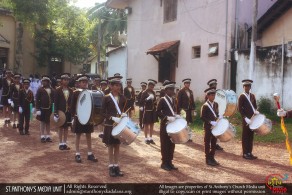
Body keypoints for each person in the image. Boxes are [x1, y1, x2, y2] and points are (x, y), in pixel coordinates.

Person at [101, 75, 127, 177]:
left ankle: (116, 166)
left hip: (119, 125)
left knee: (117, 145)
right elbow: (102, 112)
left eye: (119, 85)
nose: (118, 87)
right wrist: (111, 117)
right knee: (110, 145)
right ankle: (110, 166)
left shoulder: (123, 98)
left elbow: (124, 110)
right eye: (115, 85)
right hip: (109, 124)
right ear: (111, 86)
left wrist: (124, 115)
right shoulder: (106, 97)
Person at [71, 75, 98, 163]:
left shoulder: (90, 92)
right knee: (78, 135)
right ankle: (77, 154)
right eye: (83, 82)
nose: (85, 84)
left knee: (88, 134)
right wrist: (72, 117)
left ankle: (90, 153)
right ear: (79, 83)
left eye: (86, 82)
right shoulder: (75, 92)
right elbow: (72, 106)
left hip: (88, 116)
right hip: (78, 116)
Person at [156, 81, 179, 171]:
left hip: (172, 125)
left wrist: (176, 115)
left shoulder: (173, 100)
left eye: (173, 89)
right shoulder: (162, 100)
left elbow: (173, 111)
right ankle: (164, 163)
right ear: (166, 90)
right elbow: (157, 112)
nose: (172, 91)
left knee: (171, 143)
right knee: (165, 144)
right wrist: (166, 118)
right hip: (165, 124)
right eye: (170, 89)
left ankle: (170, 162)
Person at [238, 79, 259, 160]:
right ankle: (245, 153)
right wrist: (245, 118)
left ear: (250, 87)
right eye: (245, 86)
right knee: (245, 136)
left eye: (248, 86)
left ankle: (250, 152)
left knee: (251, 136)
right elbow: (240, 109)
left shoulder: (252, 96)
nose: (247, 87)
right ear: (243, 87)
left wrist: (256, 111)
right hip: (246, 120)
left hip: (252, 119)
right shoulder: (242, 96)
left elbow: (255, 106)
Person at [200, 87, 220, 166]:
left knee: (214, 142)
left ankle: (212, 157)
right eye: (211, 95)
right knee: (207, 143)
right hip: (208, 127)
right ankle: (207, 158)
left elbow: (216, 114)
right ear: (208, 96)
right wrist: (210, 122)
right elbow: (202, 117)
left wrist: (219, 117)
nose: (213, 96)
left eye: (214, 95)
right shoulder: (205, 105)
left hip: (215, 127)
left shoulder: (216, 104)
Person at [54, 73, 73, 150]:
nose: (66, 81)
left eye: (67, 80)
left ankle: (65, 142)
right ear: (61, 81)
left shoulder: (71, 90)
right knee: (61, 127)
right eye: (65, 80)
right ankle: (60, 143)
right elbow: (56, 102)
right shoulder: (58, 90)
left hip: (68, 111)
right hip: (61, 111)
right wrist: (55, 113)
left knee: (66, 128)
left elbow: (72, 102)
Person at [36, 75, 55, 143]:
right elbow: (37, 99)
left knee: (48, 122)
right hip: (42, 108)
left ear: (48, 82)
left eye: (45, 81)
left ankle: (48, 135)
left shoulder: (52, 90)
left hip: (49, 109)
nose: (44, 82)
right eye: (43, 81)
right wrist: (37, 109)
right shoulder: (40, 89)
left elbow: (54, 99)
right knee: (42, 122)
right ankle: (42, 136)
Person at [206, 79, 224, 151]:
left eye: (215, 85)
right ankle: (211, 144)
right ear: (210, 86)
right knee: (210, 132)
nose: (215, 86)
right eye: (213, 85)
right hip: (210, 116)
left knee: (216, 130)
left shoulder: (216, 94)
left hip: (216, 114)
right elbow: (208, 106)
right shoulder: (208, 95)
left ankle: (215, 144)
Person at [140, 79, 158, 144]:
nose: (152, 88)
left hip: (152, 110)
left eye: (153, 86)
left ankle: (150, 138)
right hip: (147, 110)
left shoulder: (153, 93)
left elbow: (155, 101)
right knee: (146, 124)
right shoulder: (144, 92)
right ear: (148, 85)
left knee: (152, 124)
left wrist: (155, 102)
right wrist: (147, 99)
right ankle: (145, 138)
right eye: (151, 86)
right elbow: (141, 102)